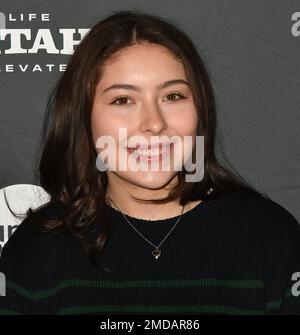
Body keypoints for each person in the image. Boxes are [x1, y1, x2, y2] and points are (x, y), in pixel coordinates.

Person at [1, 10, 300, 315]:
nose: (153, 123)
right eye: (123, 100)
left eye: (172, 96)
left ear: (200, 110)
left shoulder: (271, 239)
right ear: (84, 118)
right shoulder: (37, 251)